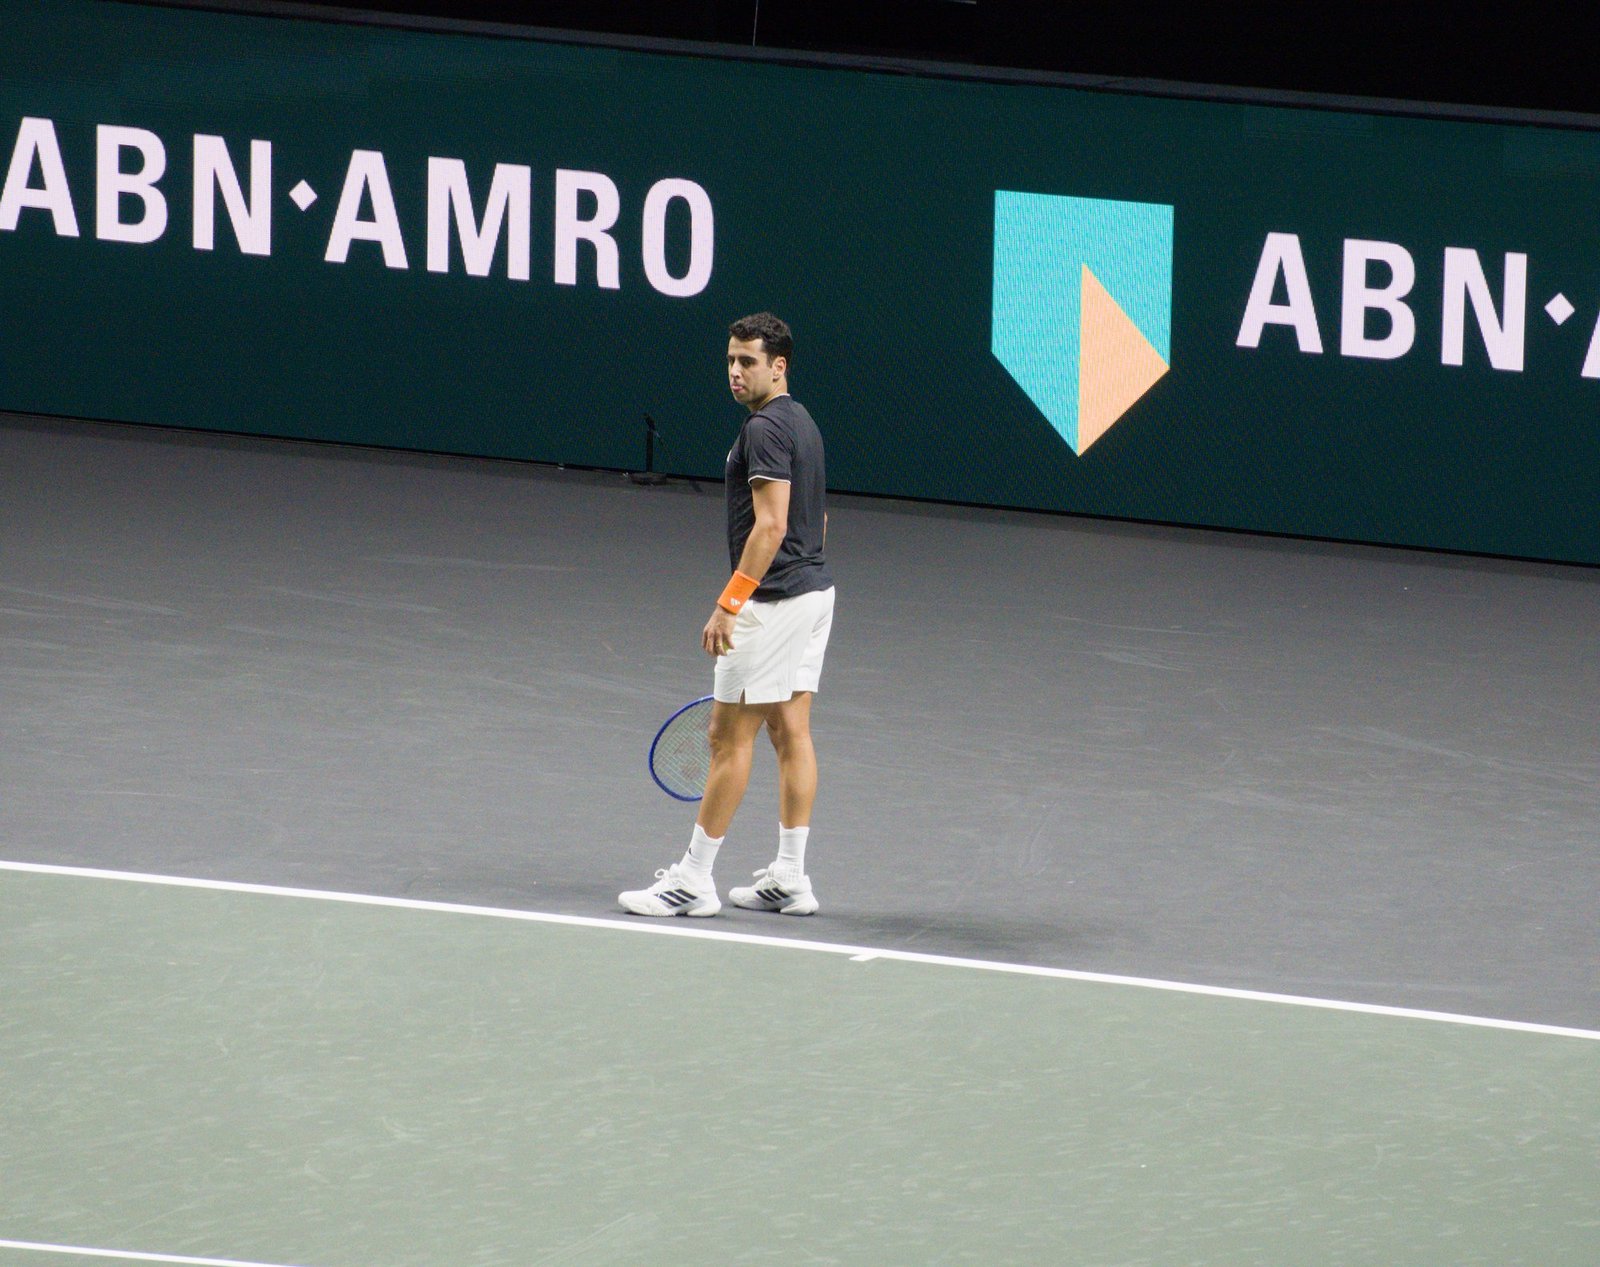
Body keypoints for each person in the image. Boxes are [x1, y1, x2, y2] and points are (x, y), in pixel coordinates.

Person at [620, 312, 835, 918]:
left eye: (748, 362)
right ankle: (791, 876)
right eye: (731, 361)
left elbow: (770, 525)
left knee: (726, 739)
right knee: (789, 729)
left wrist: (729, 603)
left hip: (771, 604)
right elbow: (815, 519)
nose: (736, 372)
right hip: (814, 593)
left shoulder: (766, 430)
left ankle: (693, 880)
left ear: (779, 366)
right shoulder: (803, 424)